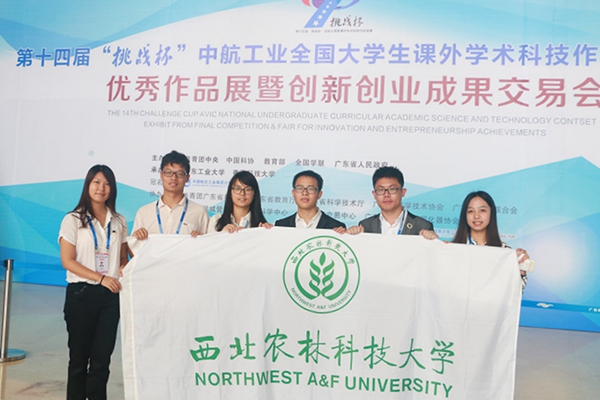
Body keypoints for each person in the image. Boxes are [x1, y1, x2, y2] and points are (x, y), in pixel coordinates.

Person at [58, 165, 128, 400]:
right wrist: (101, 278)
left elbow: (122, 258)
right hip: (81, 294)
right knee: (79, 360)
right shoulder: (72, 219)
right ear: (88, 185)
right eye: (97, 182)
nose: (102, 188)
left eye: (107, 184)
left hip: (111, 297)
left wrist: (123, 268)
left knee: (101, 361)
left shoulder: (119, 221)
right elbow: (68, 261)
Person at [452, 191, 530, 290]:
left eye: (482, 210)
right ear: (465, 215)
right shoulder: (453, 249)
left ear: (491, 213)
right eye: (470, 211)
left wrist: (522, 270)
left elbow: (514, 294)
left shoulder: (505, 251)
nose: (476, 216)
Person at [132, 150, 209, 240]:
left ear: (187, 178)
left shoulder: (200, 212)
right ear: (161, 175)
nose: (174, 178)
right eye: (168, 173)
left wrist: (201, 239)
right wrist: (136, 237)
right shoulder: (144, 212)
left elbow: (209, 245)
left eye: (180, 174)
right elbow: (133, 246)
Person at [346, 166, 433, 235]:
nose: (386, 194)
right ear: (374, 194)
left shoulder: (422, 226)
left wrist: (433, 241)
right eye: (381, 190)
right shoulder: (365, 226)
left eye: (392, 189)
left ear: (403, 192)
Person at [275, 170, 346, 232]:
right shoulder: (281, 225)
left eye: (310, 189)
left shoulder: (336, 227)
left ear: (319, 194)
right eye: (300, 188)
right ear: (293, 193)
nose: (305, 193)